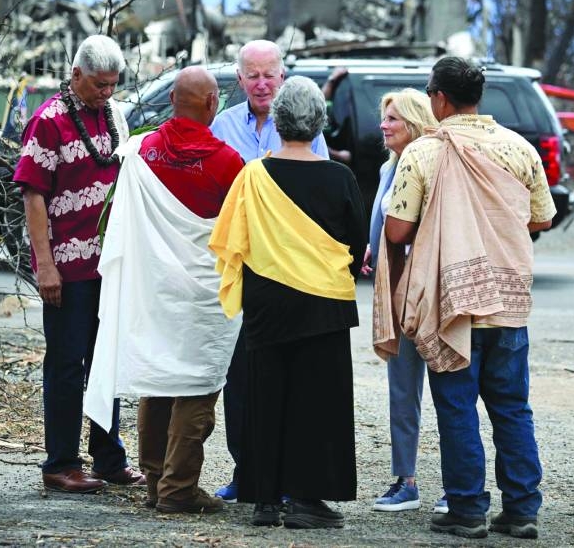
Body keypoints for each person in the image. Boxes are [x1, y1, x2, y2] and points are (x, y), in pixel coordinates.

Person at [375, 57, 555, 540]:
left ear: (438, 98)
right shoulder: (520, 148)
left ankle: (468, 509)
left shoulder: (425, 154)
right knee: (513, 407)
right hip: (509, 301)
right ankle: (521, 510)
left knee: (457, 409)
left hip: (454, 299)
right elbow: (541, 219)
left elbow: (397, 229)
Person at [83, 66, 244, 515]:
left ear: (172, 100)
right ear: (212, 104)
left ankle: (155, 481)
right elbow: (235, 230)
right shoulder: (227, 161)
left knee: (157, 379)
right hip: (203, 293)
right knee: (197, 383)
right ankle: (178, 489)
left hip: (152, 287)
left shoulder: (142, 152)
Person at [209, 76, 366, 529]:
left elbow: (232, 239)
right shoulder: (340, 178)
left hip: (267, 303)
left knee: (265, 398)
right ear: (319, 123)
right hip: (323, 304)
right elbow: (355, 244)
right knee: (317, 403)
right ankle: (307, 500)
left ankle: (263, 499)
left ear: (276, 122)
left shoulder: (252, 176)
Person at [13, 34, 144, 494]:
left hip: (109, 263)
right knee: (68, 364)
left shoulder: (115, 117)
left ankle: (109, 458)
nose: (106, 93)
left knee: (106, 362)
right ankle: (61, 462)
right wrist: (45, 265)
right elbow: (33, 196)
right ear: (76, 74)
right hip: (68, 267)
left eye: (112, 85)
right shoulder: (47, 121)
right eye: (98, 85)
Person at [208, 39, 330, 503]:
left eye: (269, 74)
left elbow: (315, 187)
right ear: (239, 79)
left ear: (283, 76)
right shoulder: (222, 127)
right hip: (241, 269)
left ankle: (284, 477)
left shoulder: (304, 126)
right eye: (252, 75)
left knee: (284, 380)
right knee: (239, 380)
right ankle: (247, 473)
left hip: (289, 272)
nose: (262, 84)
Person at [361, 88, 449, 515]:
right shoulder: (387, 167)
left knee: (450, 387)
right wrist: (370, 247)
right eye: (384, 117)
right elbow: (383, 217)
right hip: (394, 286)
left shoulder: (435, 163)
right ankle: (406, 479)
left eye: (393, 118)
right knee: (402, 386)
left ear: (414, 122)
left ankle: (458, 485)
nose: (384, 125)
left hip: (430, 288)